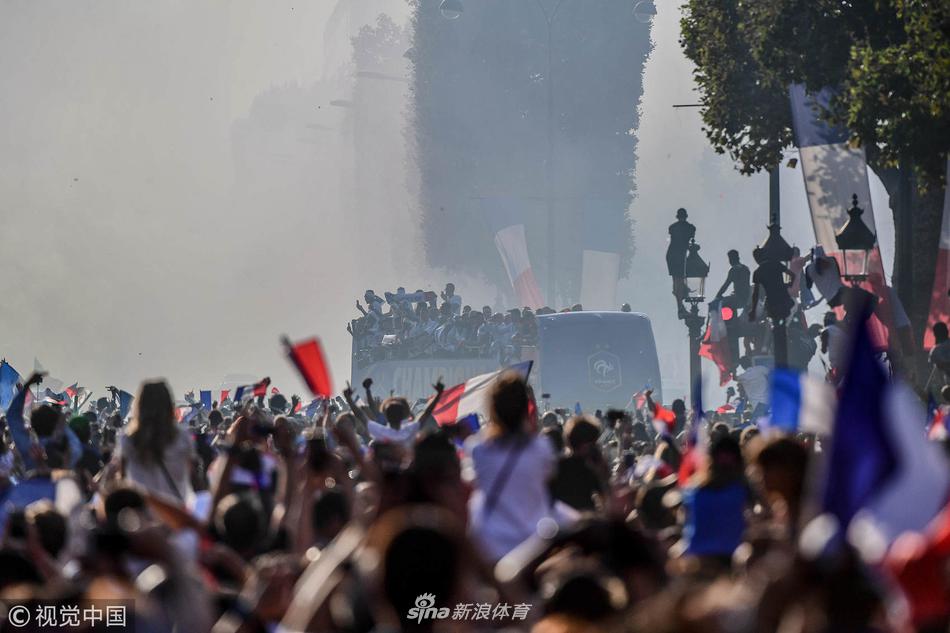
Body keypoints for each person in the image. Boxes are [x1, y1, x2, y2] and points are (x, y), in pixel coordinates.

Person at [465, 370, 556, 562]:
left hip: (490, 545)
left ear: (493, 409)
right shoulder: (542, 449)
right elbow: (548, 478)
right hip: (534, 546)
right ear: (524, 409)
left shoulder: (478, 450)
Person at [118, 380, 197, 507]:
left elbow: (123, 480)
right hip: (175, 512)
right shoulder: (182, 437)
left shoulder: (128, 440)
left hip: (140, 514)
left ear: (139, 406)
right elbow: (192, 475)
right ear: (169, 405)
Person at [666, 208, 696, 300]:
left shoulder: (673, 227)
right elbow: (689, 241)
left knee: (676, 279)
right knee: (678, 278)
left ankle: (680, 295)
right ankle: (681, 295)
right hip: (679, 255)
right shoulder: (690, 228)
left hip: (671, 255)